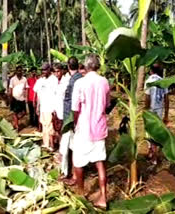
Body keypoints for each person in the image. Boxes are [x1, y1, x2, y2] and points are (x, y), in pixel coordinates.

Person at [71, 54, 110, 208]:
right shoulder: (104, 82)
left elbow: (75, 108)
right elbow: (107, 104)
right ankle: (103, 198)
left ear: (86, 67)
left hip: (84, 128)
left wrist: (75, 123)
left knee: (78, 163)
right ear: (98, 66)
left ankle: (81, 193)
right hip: (99, 128)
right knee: (100, 163)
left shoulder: (80, 83)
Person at [59, 57, 82, 179]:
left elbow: (72, 103)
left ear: (68, 66)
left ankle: (69, 173)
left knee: (68, 146)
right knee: (72, 146)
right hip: (76, 118)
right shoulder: (80, 79)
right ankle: (72, 172)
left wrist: (69, 121)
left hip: (71, 118)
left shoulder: (73, 81)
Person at [144, 63, 169, 165]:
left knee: (149, 132)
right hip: (159, 109)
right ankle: (152, 154)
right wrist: (166, 114)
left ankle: (153, 155)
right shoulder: (163, 81)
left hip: (151, 110)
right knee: (156, 132)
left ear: (151, 71)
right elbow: (166, 99)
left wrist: (146, 110)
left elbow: (147, 98)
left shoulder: (149, 81)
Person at [34, 63, 58, 151]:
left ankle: (52, 145)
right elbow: (38, 95)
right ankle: (45, 143)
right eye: (42, 70)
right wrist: (37, 107)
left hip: (50, 107)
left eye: (45, 70)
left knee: (50, 126)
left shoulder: (54, 80)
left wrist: (55, 109)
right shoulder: (40, 81)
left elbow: (56, 95)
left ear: (49, 70)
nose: (43, 72)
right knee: (44, 125)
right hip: (43, 107)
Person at [9, 66, 29, 130]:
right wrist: (10, 97)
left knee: (24, 112)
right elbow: (10, 88)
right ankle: (17, 126)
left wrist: (26, 97)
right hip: (15, 98)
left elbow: (26, 88)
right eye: (18, 71)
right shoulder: (12, 79)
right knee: (15, 112)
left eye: (20, 71)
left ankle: (16, 120)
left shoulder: (24, 79)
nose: (19, 72)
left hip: (22, 98)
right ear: (16, 71)